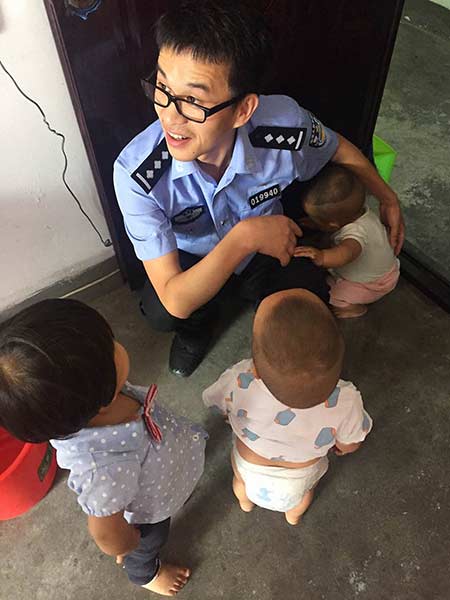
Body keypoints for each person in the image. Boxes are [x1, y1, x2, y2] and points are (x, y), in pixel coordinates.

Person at [113, 0, 404, 377]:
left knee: (307, 290)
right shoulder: (139, 173)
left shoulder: (282, 127)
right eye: (163, 87)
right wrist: (245, 236)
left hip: (269, 247)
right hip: (198, 256)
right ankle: (198, 331)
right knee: (162, 310)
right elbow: (175, 297)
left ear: (243, 110)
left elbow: (338, 149)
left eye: (193, 101)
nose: (169, 115)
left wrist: (386, 196)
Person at [0, 299, 207, 596]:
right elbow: (105, 532)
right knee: (149, 543)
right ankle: (145, 573)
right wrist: (127, 542)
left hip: (163, 468)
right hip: (149, 514)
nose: (118, 342)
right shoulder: (103, 467)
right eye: (111, 344)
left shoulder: (93, 398)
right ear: (99, 395)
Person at [203, 289, 372, 525]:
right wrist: (343, 446)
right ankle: (293, 516)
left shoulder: (241, 379)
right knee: (300, 498)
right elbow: (351, 442)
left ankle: (245, 503)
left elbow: (214, 401)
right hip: (299, 477)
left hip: (249, 464)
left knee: (241, 484)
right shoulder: (346, 401)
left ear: (255, 368)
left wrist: (227, 414)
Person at [295, 164, 400, 318]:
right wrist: (318, 222)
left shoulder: (354, 234)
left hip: (371, 285)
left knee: (330, 293)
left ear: (332, 224)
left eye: (317, 219)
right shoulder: (360, 212)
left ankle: (354, 307)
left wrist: (322, 257)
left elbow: (347, 252)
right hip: (390, 270)